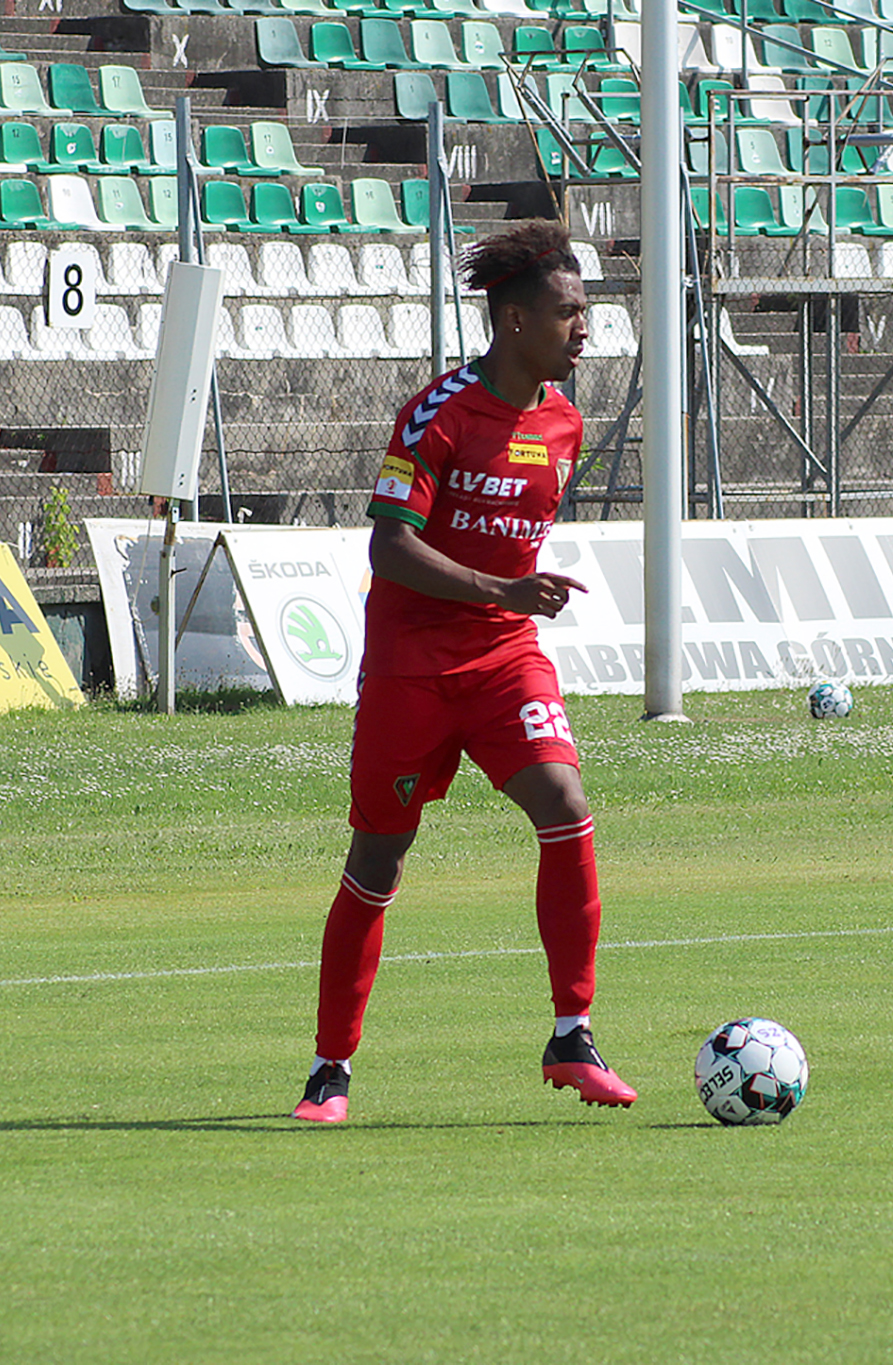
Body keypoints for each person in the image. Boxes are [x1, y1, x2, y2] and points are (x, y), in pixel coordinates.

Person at [294, 220, 636, 1124]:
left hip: (504, 655)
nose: (584, 327)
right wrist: (503, 587)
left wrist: (509, 602)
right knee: (378, 856)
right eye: (567, 312)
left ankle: (572, 1034)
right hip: (410, 666)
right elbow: (390, 546)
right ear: (515, 320)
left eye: (586, 310)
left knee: (564, 802)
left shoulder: (564, 424)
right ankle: (330, 1069)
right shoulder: (436, 414)